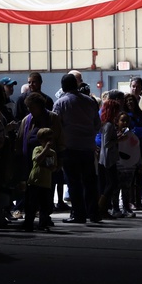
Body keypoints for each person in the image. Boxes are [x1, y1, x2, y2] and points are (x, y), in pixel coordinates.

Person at [53, 72, 102, 223]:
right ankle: (93, 214)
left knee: (74, 183)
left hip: (70, 147)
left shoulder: (61, 103)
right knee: (90, 182)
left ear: (63, 87)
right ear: (77, 85)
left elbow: (56, 126)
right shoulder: (90, 101)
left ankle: (79, 214)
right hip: (87, 147)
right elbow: (97, 124)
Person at [21, 127, 57, 232]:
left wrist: (52, 167)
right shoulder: (37, 149)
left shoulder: (53, 152)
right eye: (47, 139)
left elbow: (54, 166)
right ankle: (28, 224)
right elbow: (37, 159)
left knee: (45, 206)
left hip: (46, 182)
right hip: (35, 181)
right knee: (32, 205)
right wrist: (45, 149)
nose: (49, 141)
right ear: (41, 140)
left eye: (51, 139)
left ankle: (43, 224)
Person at [115, 112, 141, 217]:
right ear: (117, 122)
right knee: (116, 188)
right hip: (118, 165)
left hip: (129, 166)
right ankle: (115, 208)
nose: (125, 123)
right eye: (122, 120)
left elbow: (136, 149)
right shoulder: (114, 135)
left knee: (127, 188)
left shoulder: (132, 136)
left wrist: (138, 162)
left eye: (126, 121)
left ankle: (126, 207)